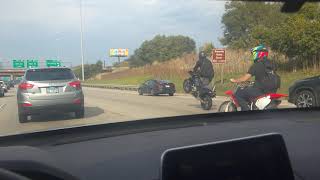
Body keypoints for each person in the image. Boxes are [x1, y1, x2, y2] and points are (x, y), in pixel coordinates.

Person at [230, 44, 277, 111]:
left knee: (239, 93)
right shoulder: (272, 64)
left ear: (258, 53)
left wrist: (235, 80)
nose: (253, 55)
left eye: (254, 53)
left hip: (260, 91)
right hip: (272, 91)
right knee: (249, 91)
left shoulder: (257, 64)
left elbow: (245, 78)